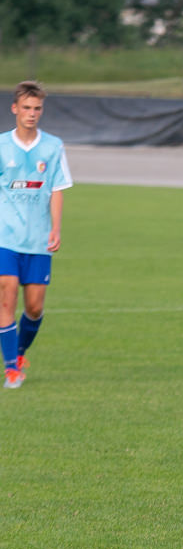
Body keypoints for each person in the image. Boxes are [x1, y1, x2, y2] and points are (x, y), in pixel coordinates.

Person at [0, 81, 73, 389]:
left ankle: (18, 352)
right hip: (4, 237)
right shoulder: (2, 145)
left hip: (38, 239)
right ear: (15, 109)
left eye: (37, 108)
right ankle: (11, 370)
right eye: (26, 108)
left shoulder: (52, 146)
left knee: (34, 306)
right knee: (7, 294)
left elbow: (56, 189)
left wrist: (55, 228)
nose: (31, 114)